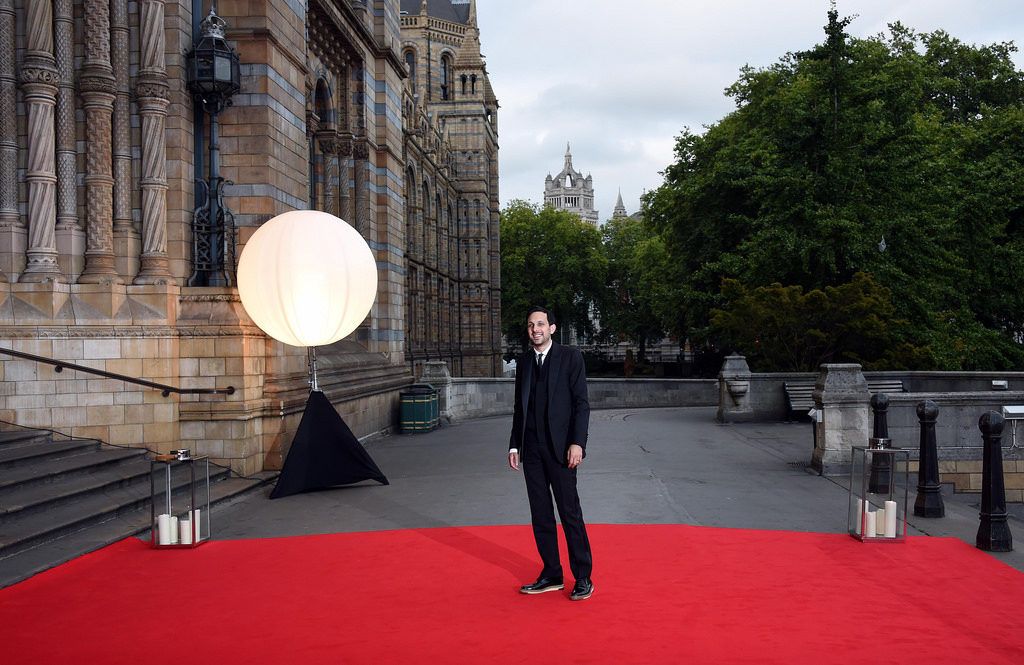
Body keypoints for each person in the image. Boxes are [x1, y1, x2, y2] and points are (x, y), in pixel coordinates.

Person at [508, 306, 593, 601]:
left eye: (541, 324)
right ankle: (552, 573)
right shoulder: (524, 362)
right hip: (531, 450)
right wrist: (514, 444)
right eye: (531, 325)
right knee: (541, 514)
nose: (535, 329)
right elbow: (521, 407)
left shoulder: (570, 358)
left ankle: (583, 576)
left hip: (561, 450)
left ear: (552, 328)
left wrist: (577, 443)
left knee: (570, 513)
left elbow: (581, 404)